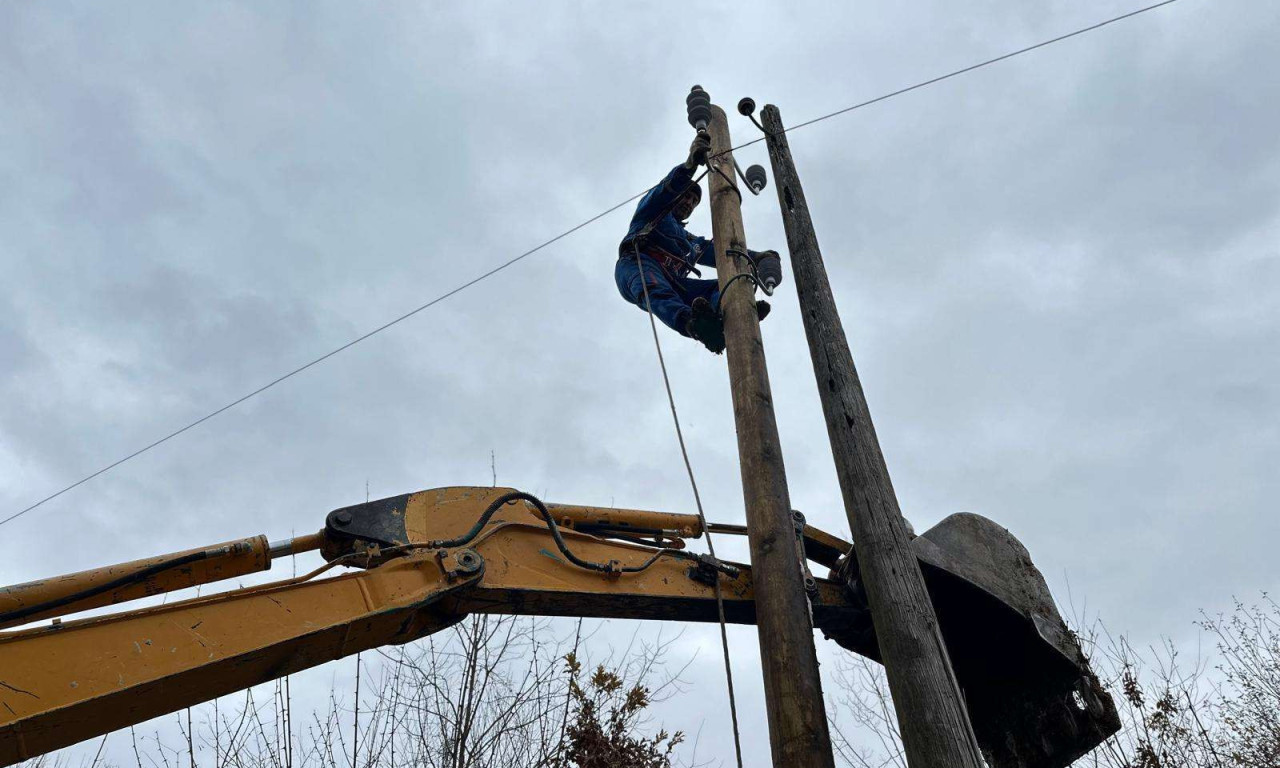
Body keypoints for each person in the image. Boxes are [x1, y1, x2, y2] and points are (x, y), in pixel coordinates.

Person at [615, 132, 778, 354]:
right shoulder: (653, 213)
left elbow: (720, 252)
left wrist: (756, 258)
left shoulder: (690, 242)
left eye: (694, 201)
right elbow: (663, 191)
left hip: (676, 280)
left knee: (726, 284)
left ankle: (729, 319)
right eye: (686, 197)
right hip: (639, 263)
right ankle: (694, 325)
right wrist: (689, 166)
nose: (689, 203)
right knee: (657, 289)